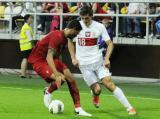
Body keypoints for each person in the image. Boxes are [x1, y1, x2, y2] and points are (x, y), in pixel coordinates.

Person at [68, 5, 136, 115]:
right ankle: (95, 96)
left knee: (109, 83)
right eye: (82, 18)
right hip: (84, 64)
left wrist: (107, 59)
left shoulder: (99, 26)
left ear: (92, 16)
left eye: (87, 18)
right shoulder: (77, 25)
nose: (84, 21)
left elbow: (110, 44)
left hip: (98, 62)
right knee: (97, 90)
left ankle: (129, 108)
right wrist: (73, 57)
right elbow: (69, 41)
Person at [28, 19, 91, 116]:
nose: (76, 35)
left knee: (70, 77)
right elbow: (49, 57)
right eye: (76, 33)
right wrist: (57, 74)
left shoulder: (66, 37)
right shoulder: (57, 36)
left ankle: (78, 109)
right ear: (72, 29)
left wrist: (67, 62)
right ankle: (48, 92)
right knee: (60, 79)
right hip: (39, 61)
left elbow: (62, 50)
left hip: (52, 59)